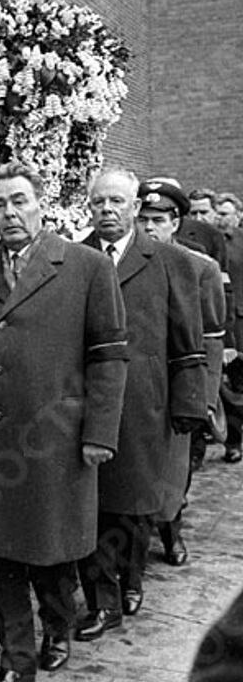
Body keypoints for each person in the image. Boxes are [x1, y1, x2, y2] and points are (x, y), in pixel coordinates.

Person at [0, 161, 129, 681]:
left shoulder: (85, 266)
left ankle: (57, 629)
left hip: (54, 440)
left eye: (19, 201)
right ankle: (15, 659)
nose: (9, 213)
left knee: (51, 550)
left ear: (42, 204)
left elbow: (109, 356)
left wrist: (99, 434)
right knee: (2, 556)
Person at [77, 169, 206, 643]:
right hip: (86, 401)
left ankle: (131, 579)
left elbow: (187, 339)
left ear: (134, 207)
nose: (107, 210)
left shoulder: (171, 261)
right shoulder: (74, 258)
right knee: (91, 502)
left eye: (117, 201)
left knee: (132, 502)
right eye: (99, 202)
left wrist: (188, 405)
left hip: (143, 402)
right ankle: (103, 599)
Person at [136, 178, 226, 566]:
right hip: (137, 387)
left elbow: (212, 338)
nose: (149, 227)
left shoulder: (199, 267)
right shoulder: (120, 263)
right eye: (143, 219)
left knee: (173, 471)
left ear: (175, 223)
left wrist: (205, 398)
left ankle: (171, 532)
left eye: (158, 220)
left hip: (178, 386)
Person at [216, 192, 243, 464]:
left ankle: (234, 439)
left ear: (238, 215)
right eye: (218, 213)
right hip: (218, 320)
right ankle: (231, 440)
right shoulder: (209, 242)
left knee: (236, 384)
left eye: (225, 214)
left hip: (241, 322)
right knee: (223, 387)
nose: (219, 218)